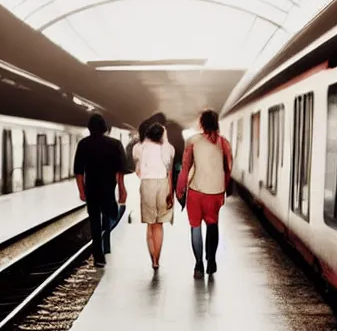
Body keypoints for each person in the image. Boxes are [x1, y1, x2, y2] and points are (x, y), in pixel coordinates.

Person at [176, 109, 233, 279]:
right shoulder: (224, 143)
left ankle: (199, 264)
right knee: (213, 225)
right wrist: (223, 187)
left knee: (195, 227)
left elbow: (185, 168)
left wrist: (180, 190)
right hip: (215, 192)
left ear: (201, 124)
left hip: (196, 192)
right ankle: (212, 260)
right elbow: (228, 168)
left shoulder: (193, 141)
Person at [74, 113, 128, 268]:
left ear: (89, 128)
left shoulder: (83, 144)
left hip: (91, 188)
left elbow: (79, 171)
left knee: (95, 223)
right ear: (105, 128)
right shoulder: (115, 144)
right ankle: (106, 243)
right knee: (112, 213)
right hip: (108, 188)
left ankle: (99, 256)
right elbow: (120, 172)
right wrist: (122, 189)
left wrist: (81, 191)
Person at [133, 122, 175, 270]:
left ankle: (153, 260)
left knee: (150, 225)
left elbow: (138, 170)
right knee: (159, 225)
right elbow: (170, 173)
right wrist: (171, 192)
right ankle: (158, 257)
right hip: (163, 184)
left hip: (147, 185)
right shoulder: (169, 149)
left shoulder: (139, 148)